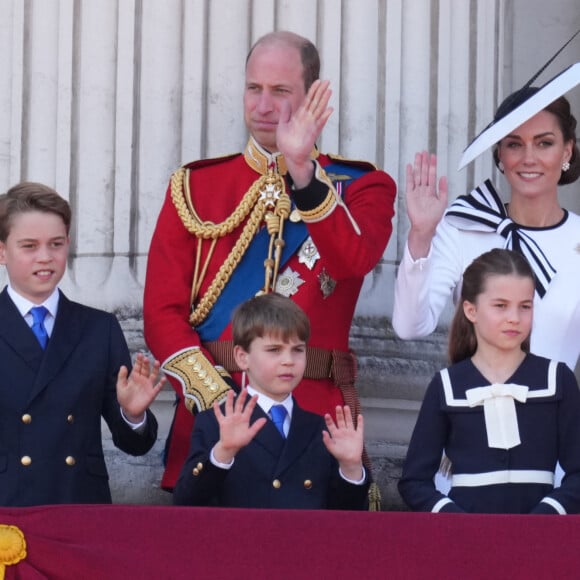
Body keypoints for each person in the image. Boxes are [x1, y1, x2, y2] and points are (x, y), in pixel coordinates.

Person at [144, 30, 396, 491]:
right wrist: (217, 399)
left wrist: (303, 173)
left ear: (312, 98)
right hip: (215, 418)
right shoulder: (194, 187)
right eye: (254, 88)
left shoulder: (362, 188)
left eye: (280, 92)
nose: (263, 106)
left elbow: (350, 261)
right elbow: (162, 313)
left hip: (318, 416)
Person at [392, 78, 580, 371]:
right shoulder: (463, 228)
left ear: (567, 151)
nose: (529, 158)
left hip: (554, 411)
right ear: (500, 155)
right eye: (515, 144)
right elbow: (409, 327)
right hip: (473, 411)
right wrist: (420, 235)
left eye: (544, 143)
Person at [0, 182, 165, 506]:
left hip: (78, 505)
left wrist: (132, 415)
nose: (45, 257)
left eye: (56, 244)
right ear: (2, 251)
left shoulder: (98, 329)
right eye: (29, 246)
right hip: (7, 509)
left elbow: (134, 444)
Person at [398, 248, 580, 514]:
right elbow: (414, 481)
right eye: (500, 306)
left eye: (525, 306)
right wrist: (455, 520)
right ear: (471, 310)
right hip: (465, 543)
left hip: (541, 542)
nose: (514, 318)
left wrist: (546, 516)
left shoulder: (557, 378)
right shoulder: (446, 385)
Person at [173, 293, 368, 509]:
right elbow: (186, 502)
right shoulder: (215, 422)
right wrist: (223, 453)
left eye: (298, 350)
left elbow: (346, 523)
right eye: (274, 350)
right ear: (242, 357)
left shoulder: (322, 430)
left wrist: (351, 468)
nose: (288, 361)